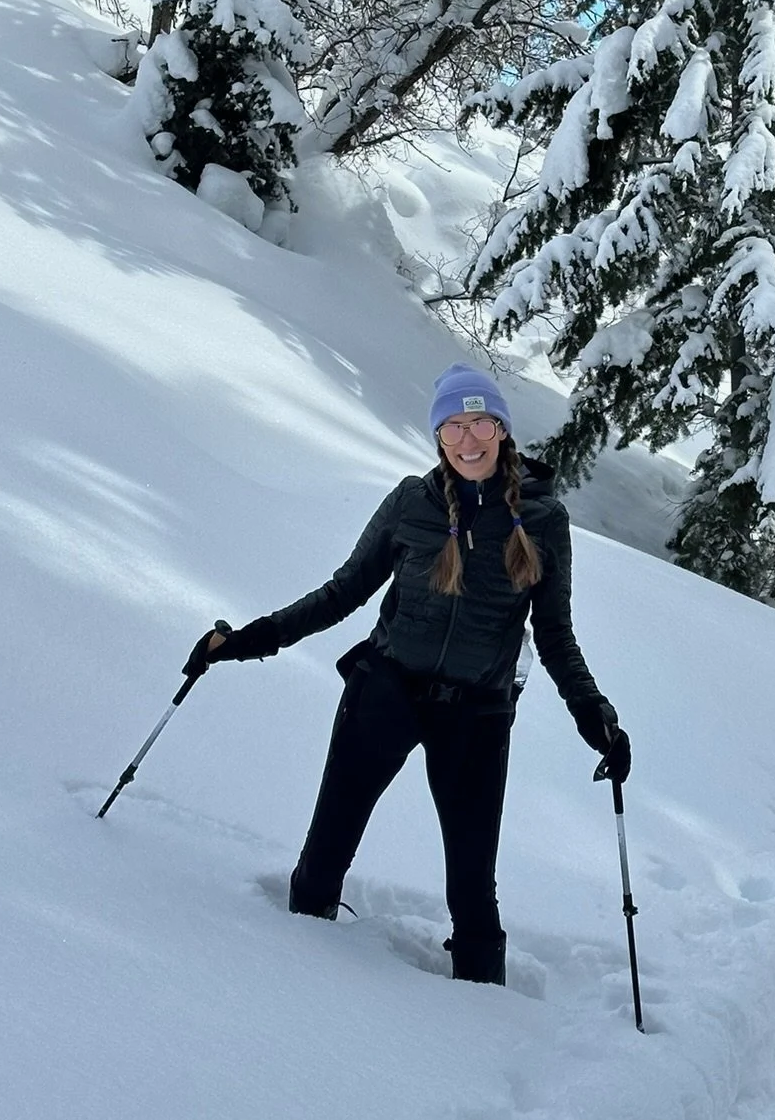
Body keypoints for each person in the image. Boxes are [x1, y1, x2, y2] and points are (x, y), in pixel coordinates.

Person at [181, 363, 630, 987]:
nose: (468, 441)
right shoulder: (410, 503)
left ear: (501, 429)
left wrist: (593, 713)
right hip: (385, 691)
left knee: (472, 885)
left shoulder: (543, 521)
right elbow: (342, 593)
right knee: (326, 852)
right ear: (438, 437)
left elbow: (553, 633)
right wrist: (250, 640)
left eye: (479, 423)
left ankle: (478, 1014)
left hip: (477, 713)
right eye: (452, 427)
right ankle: (283, 988)